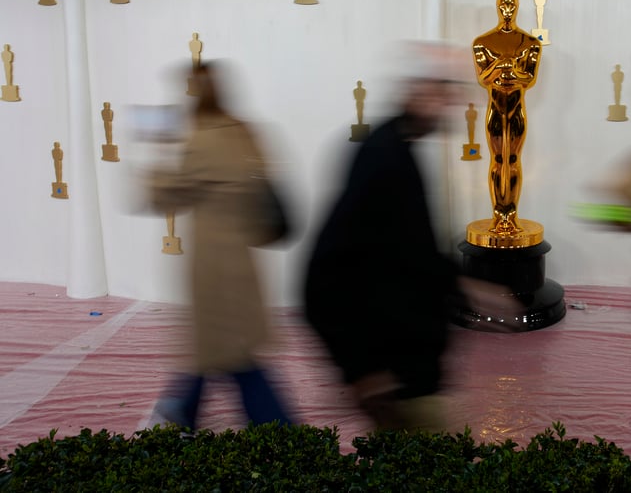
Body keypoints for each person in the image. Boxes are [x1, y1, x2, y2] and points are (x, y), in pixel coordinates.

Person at [305, 48, 508, 431]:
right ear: (413, 91)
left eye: (450, 92)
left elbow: (409, 253)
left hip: (413, 370)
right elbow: (330, 268)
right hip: (396, 376)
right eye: (439, 90)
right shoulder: (383, 159)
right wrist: (361, 369)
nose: (447, 103)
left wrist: (464, 284)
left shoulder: (400, 152)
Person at [148, 61, 291, 431]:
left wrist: (160, 151)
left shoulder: (201, 139)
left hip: (213, 269)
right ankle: (180, 416)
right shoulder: (244, 131)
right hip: (241, 265)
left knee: (230, 358)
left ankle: (280, 433)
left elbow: (161, 196)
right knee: (220, 354)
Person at [472, 0, 543, 234]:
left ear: (517, 8)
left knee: (512, 160)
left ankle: (510, 215)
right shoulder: (483, 42)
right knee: (497, 161)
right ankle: (497, 216)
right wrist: (501, 66)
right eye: (504, 5)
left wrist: (509, 70)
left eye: (511, 5)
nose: (507, 9)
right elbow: (483, 77)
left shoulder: (530, 43)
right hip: (495, 107)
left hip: (515, 108)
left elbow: (529, 77)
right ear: (497, 7)